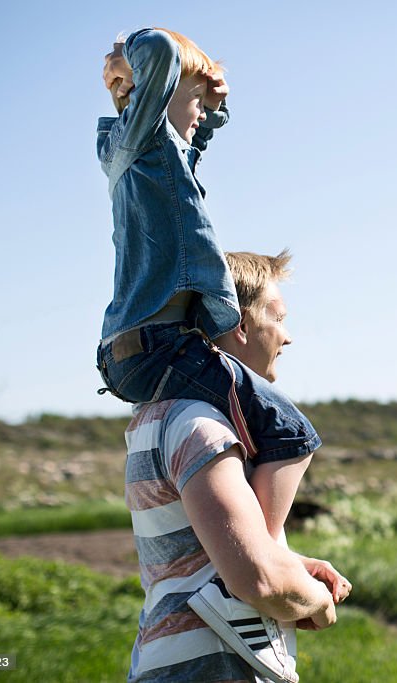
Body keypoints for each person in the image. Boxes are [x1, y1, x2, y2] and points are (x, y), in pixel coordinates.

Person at [94, 28, 341, 679]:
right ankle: (271, 544)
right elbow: (254, 575)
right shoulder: (193, 422)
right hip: (160, 341)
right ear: (159, 89)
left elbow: (190, 144)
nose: (202, 112)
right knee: (292, 427)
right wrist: (290, 583)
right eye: (195, 98)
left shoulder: (151, 161)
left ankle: (272, 547)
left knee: (278, 430)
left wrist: (214, 107)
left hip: (135, 348)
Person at [126, 250, 351, 682]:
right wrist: (317, 603)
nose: (287, 337)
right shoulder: (200, 427)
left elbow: (198, 558)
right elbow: (258, 579)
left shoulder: (158, 418)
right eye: (278, 317)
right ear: (240, 325)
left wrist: (290, 564)